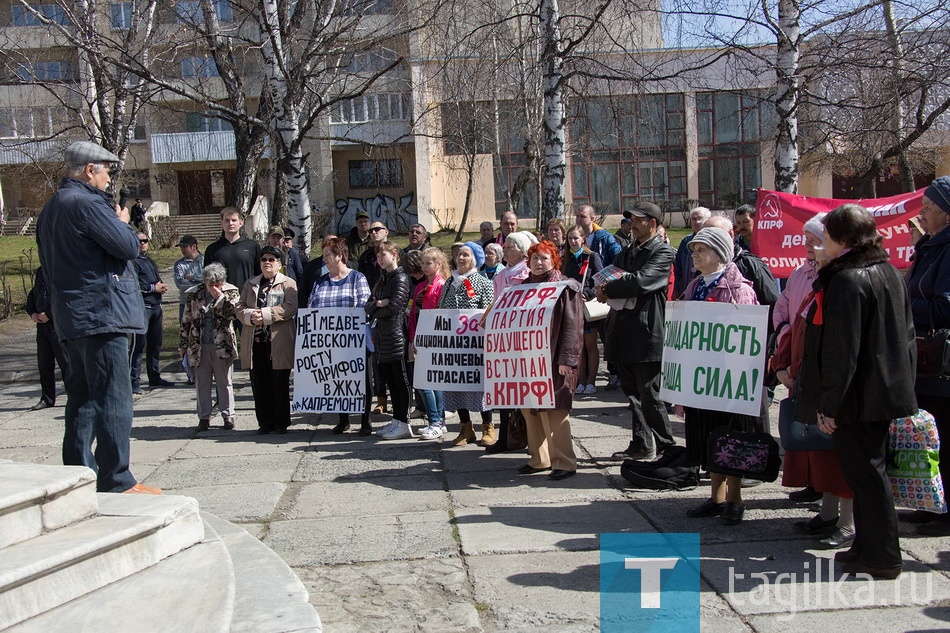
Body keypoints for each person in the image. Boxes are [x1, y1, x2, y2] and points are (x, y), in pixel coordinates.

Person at [797, 204, 917, 578]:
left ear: (845, 241)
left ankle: (882, 556)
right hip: (880, 389)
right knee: (865, 475)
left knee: (868, 476)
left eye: (827, 238)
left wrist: (828, 404)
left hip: (859, 395)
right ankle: (866, 545)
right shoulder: (885, 270)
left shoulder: (848, 280)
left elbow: (841, 350)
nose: (822, 245)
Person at [36, 140, 158, 494]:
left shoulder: (51, 208)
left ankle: (78, 478)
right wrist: (123, 223)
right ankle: (117, 479)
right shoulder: (88, 204)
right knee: (114, 397)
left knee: (82, 397)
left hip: (71, 317)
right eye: (107, 171)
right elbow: (128, 247)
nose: (109, 179)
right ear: (90, 170)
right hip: (102, 315)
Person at [771, 213, 855, 549]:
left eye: (818, 242)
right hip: (807, 381)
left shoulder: (843, 285)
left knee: (841, 455)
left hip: (831, 386)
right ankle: (828, 513)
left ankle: (848, 523)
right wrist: (782, 364)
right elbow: (794, 324)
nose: (811, 248)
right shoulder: (813, 282)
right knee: (822, 454)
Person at [680, 227, 759, 525]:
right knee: (708, 435)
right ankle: (716, 495)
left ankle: (735, 499)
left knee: (730, 436)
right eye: (694, 250)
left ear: (719, 253)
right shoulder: (695, 285)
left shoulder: (739, 289)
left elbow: (746, 334)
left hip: (727, 379)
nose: (696, 256)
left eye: (701, 250)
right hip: (701, 376)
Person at [597, 202, 676, 462]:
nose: (632, 224)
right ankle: (641, 444)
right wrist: (608, 285)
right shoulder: (629, 251)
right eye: (630, 219)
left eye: (638, 220)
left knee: (650, 394)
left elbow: (641, 281)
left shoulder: (662, 252)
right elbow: (611, 274)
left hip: (647, 333)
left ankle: (668, 448)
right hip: (623, 331)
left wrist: (609, 289)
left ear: (652, 223)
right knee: (632, 394)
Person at [903, 176, 950, 537]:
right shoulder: (930, 246)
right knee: (930, 435)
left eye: (930, 209)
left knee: (945, 434)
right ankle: (932, 503)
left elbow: (945, 307)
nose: (923, 214)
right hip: (922, 357)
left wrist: (902, 304)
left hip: (943, 363)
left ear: (946, 215)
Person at [516, 240, 584, 481]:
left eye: (544, 258)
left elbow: (573, 327)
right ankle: (539, 458)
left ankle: (565, 462)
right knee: (530, 410)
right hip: (527, 360)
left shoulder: (566, 287)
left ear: (554, 261)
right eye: (534, 258)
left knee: (555, 410)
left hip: (555, 360)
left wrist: (567, 359)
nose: (538, 263)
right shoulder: (522, 287)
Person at [308, 237, 373, 435]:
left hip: (355, 339)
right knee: (337, 379)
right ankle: (343, 419)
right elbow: (312, 307)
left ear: (340, 256)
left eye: (328, 255)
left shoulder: (357, 278)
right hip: (330, 342)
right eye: (324, 255)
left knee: (362, 380)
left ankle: (365, 420)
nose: (324, 259)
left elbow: (365, 305)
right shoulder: (320, 281)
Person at [438, 242, 494, 446]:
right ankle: (465, 428)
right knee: (456, 385)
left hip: (475, 345)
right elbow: (440, 310)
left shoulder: (484, 283)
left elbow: (489, 312)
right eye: (458, 255)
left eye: (465, 255)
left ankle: (488, 426)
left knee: (479, 385)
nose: (460, 258)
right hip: (453, 346)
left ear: (475, 259)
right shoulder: (448, 283)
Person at [239, 245, 298, 435]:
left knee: (279, 383)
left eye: (271, 260)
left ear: (279, 264)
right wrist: (249, 315)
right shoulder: (251, 283)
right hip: (256, 342)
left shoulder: (288, 283)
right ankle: (264, 423)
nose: (267, 263)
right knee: (260, 383)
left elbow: (290, 307)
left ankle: (281, 423)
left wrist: (265, 314)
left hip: (278, 341)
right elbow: (239, 306)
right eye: (264, 260)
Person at [179, 263, 240, 432]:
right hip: (199, 344)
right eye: (210, 284)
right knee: (202, 382)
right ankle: (204, 417)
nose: (213, 287)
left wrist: (220, 298)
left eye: (217, 283)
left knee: (225, 381)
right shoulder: (194, 293)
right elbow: (186, 320)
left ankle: (228, 416)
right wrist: (183, 345)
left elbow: (234, 314)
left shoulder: (230, 291)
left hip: (222, 344)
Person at [367, 242, 413, 440]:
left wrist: (378, 307)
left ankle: (404, 422)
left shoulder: (401, 278)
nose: (380, 258)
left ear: (394, 255)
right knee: (391, 382)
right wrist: (377, 304)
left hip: (396, 336)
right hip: (382, 336)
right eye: (378, 255)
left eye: (383, 254)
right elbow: (368, 305)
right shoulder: (382, 279)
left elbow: (395, 307)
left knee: (400, 382)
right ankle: (396, 420)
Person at [410, 247, 450, 439]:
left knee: (428, 382)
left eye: (428, 263)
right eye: (423, 263)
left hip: (435, 339)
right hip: (421, 338)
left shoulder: (442, 286)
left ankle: (435, 421)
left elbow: (441, 315)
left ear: (438, 264)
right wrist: (413, 337)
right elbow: (413, 315)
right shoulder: (420, 286)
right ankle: (438, 420)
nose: (424, 267)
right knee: (430, 382)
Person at [130, 231, 173, 393]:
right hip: (142, 308)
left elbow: (156, 280)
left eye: (145, 240)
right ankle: (133, 381)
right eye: (139, 241)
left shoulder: (149, 260)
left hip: (156, 307)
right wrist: (152, 288)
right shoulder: (132, 262)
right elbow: (133, 284)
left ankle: (154, 376)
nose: (143, 243)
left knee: (155, 344)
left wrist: (161, 286)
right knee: (138, 345)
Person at [563, 225, 603, 395]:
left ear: (583, 239)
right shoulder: (567, 259)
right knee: (577, 348)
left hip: (588, 307)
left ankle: (592, 382)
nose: (573, 241)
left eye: (575, 238)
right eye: (570, 238)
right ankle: (581, 381)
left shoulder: (592, 256)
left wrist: (588, 293)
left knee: (590, 345)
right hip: (572, 307)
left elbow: (600, 280)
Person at [25, 267, 69, 411]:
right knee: (44, 364)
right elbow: (34, 293)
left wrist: (50, 314)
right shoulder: (40, 271)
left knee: (66, 363)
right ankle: (47, 398)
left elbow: (65, 296)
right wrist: (32, 312)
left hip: (58, 325)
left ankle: (75, 396)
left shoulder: (60, 267)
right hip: (42, 326)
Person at [359, 221, 390, 413]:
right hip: (372, 309)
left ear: (386, 232)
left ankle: (399, 399)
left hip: (390, 309)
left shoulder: (396, 252)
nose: (373, 232)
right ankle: (381, 399)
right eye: (371, 230)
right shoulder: (365, 257)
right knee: (375, 356)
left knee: (394, 358)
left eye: (377, 229)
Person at [204, 207, 262, 293]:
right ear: (221, 223)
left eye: (234, 220)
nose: (230, 223)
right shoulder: (213, 249)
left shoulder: (253, 246)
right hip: (221, 298)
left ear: (241, 223)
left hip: (247, 296)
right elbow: (208, 278)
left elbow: (260, 274)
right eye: (227, 220)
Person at [174, 234, 204, 385]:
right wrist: (200, 281)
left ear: (194, 246)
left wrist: (192, 277)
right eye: (181, 247)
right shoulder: (179, 265)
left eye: (185, 247)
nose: (182, 250)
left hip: (203, 303)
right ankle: (189, 373)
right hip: (185, 304)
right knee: (186, 336)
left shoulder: (205, 260)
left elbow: (209, 279)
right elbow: (180, 284)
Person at [673, 206, 711, 298]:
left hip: (707, 290)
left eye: (700, 218)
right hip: (686, 289)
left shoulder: (712, 241)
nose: (696, 222)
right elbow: (678, 267)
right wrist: (676, 288)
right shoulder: (686, 241)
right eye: (694, 219)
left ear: (708, 220)